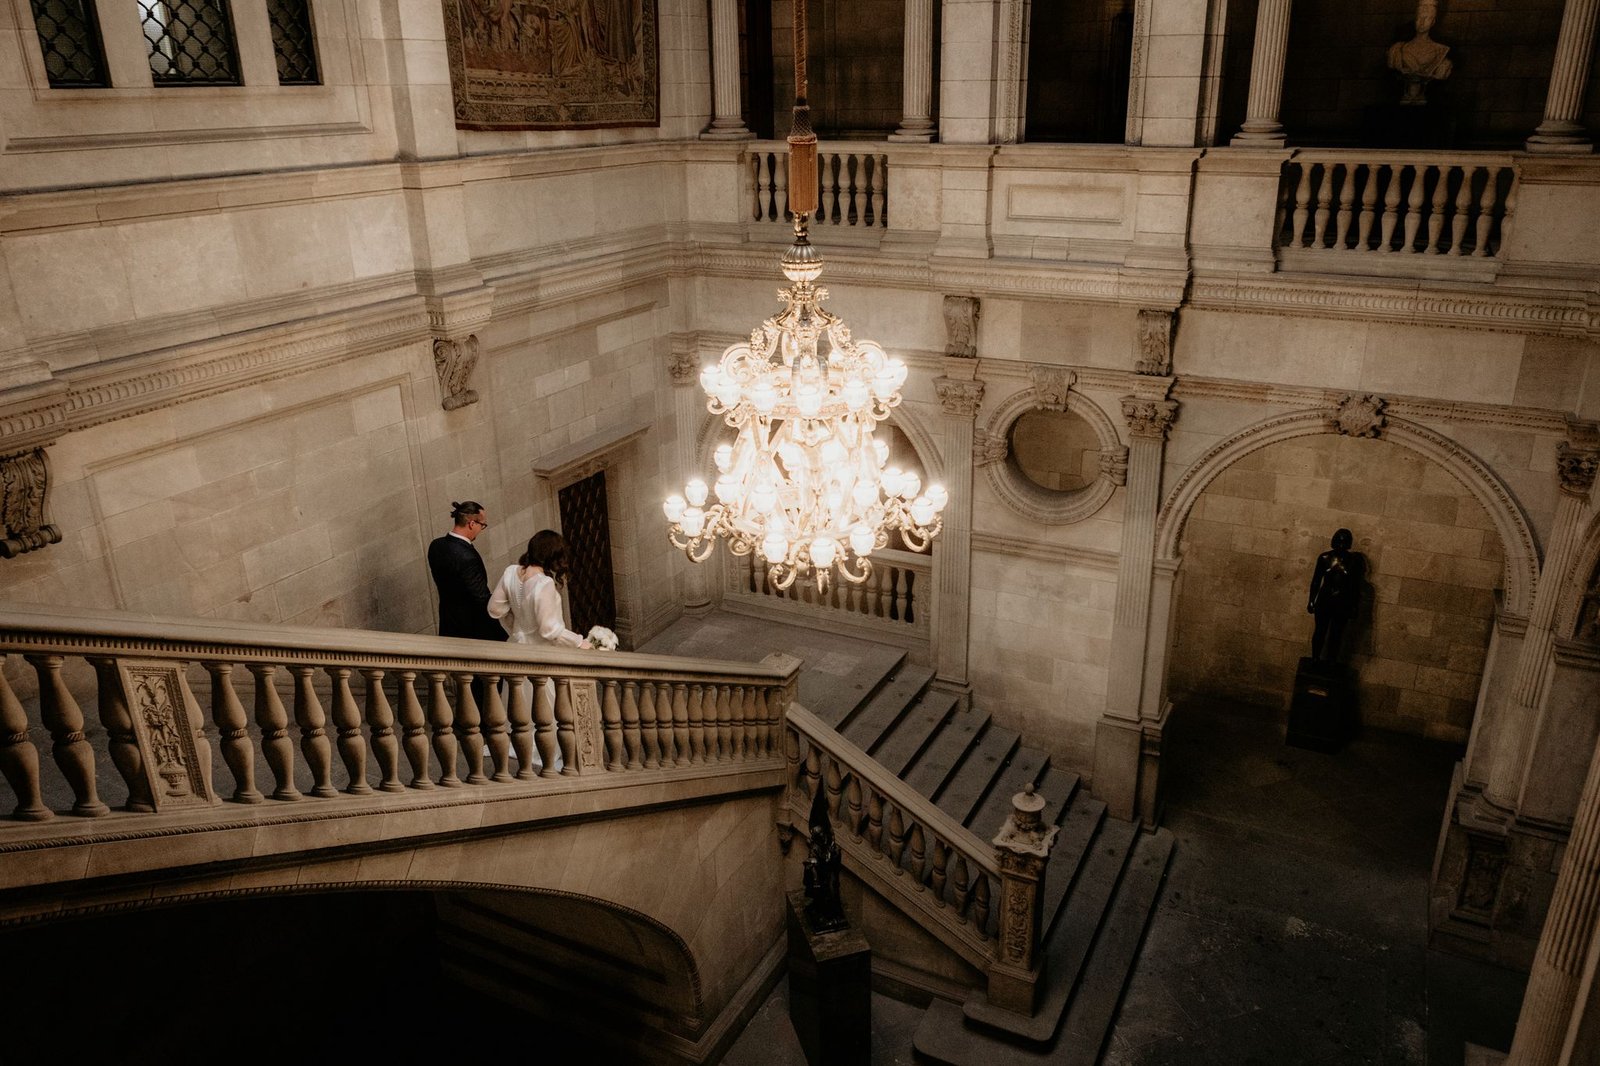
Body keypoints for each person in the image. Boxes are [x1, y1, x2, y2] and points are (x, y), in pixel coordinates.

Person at [488, 529, 591, 650]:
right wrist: (578, 642)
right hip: (541, 652)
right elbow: (549, 629)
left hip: (516, 646)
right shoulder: (544, 583)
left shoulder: (510, 572)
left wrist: (517, 627)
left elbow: (494, 608)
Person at [427, 501, 509, 644]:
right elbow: (481, 599)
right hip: (473, 631)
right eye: (482, 525)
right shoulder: (467, 558)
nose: (481, 529)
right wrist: (500, 634)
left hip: (448, 625)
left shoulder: (436, 546)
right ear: (471, 524)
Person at [1307, 528, 1364, 663]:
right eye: (1339, 542)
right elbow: (1316, 581)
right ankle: (1315, 658)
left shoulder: (1353, 561)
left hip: (1342, 601)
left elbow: (1355, 586)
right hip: (1325, 599)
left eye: (1344, 543)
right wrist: (1311, 600)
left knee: (1336, 634)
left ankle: (1331, 660)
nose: (1341, 546)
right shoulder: (1324, 558)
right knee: (1320, 630)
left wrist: (1354, 606)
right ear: (1334, 542)